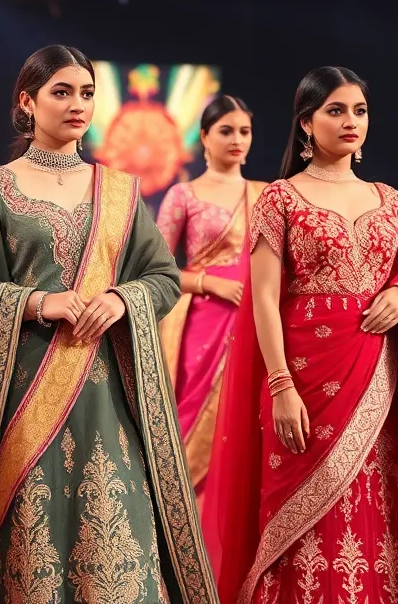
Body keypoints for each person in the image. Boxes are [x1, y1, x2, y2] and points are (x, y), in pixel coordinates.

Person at [0, 45, 217, 603]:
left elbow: (163, 276)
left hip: (108, 396)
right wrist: (36, 303)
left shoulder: (119, 190)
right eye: (62, 92)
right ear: (27, 101)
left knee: (115, 533)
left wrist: (122, 300)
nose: (78, 105)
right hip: (20, 398)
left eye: (87, 93)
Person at [205, 66, 398, 604]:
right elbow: (263, 298)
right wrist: (281, 385)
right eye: (335, 110)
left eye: (359, 110)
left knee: (382, 512)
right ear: (306, 124)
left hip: (382, 383)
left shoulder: (391, 200)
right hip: (304, 381)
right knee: (303, 523)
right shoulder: (280, 199)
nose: (351, 121)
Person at [156, 94, 266, 495]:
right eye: (226, 131)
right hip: (201, 324)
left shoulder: (267, 194)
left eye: (245, 131)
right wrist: (209, 283)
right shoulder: (184, 195)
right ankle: (182, 528)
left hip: (255, 321)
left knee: (245, 424)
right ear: (204, 137)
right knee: (192, 416)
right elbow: (156, 272)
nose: (237, 139)